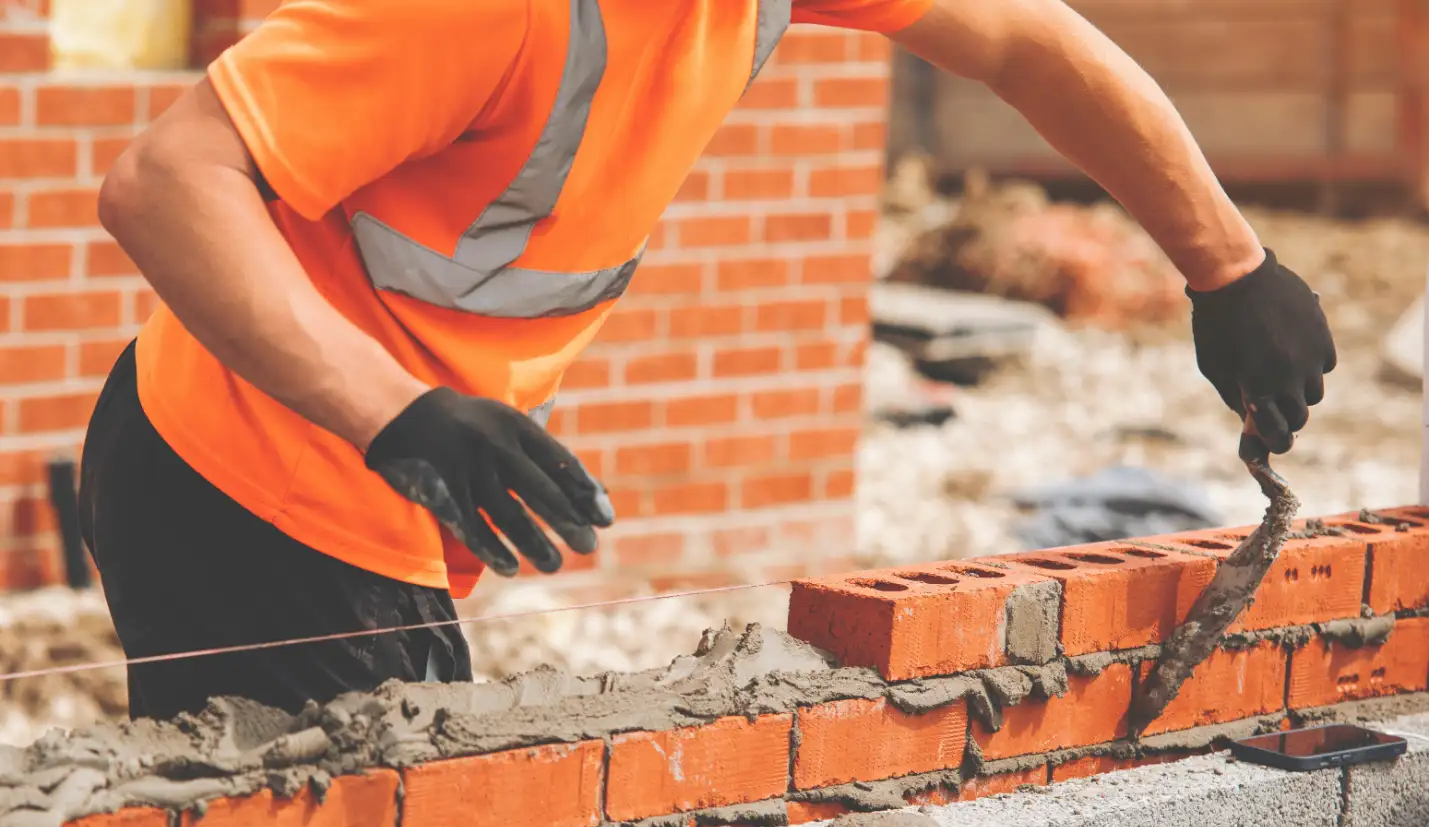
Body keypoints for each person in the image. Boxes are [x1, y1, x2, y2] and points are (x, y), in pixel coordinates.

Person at [85, 0, 1337, 720]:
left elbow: (1019, 40)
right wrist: (397, 410)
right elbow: (162, 179)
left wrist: (1228, 266)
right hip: (242, 482)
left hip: (382, 492)